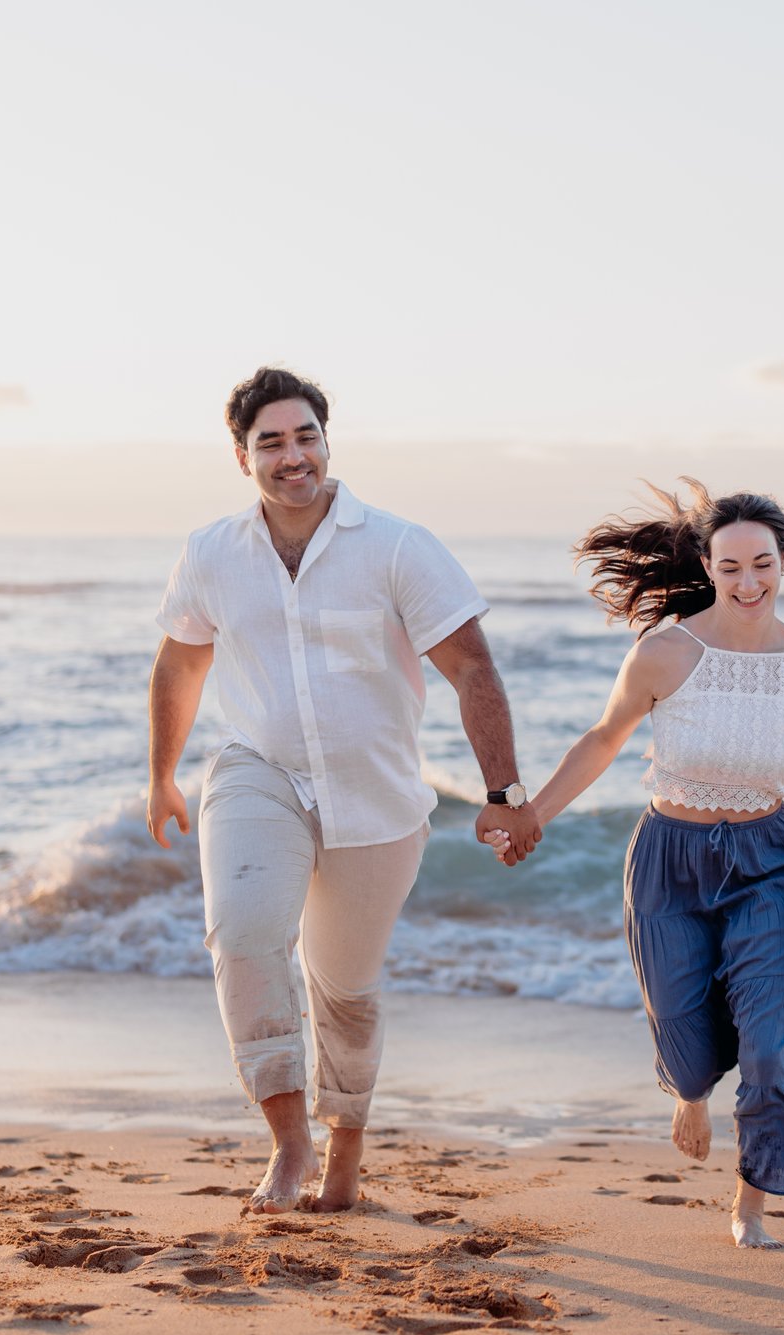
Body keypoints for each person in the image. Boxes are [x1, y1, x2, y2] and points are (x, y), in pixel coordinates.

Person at [146, 366, 541, 1213]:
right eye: (271, 443)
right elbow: (182, 659)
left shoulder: (396, 545)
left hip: (376, 795)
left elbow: (472, 665)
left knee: (344, 988)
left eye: (305, 437)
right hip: (259, 770)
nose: (293, 457)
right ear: (242, 455)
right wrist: (161, 775)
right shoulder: (212, 552)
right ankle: (288, 1142)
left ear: (327, 440)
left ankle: (345, 1145)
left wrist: (502, 790)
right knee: (245, 936)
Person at [487, 479, 784, 1248]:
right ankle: (689, 1093)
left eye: (763, 563)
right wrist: (533, 814)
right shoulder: (666, 653)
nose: (748, 582)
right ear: (706, 562)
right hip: (671, 858)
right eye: (730, 567)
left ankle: (749, 1201)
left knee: (776, 1034)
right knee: (686, 1039)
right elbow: (602, 740)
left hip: (770, 859)